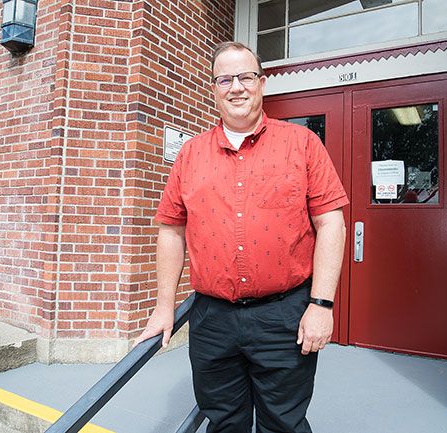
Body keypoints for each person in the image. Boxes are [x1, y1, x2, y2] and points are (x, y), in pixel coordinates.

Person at [133, 41, 349, 433]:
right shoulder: (190, 155)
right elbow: (171, 230)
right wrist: (165, 307)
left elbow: (331, 223)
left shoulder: (301, 144)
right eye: (225, 79)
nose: (237, 87)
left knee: (283, 423)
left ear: (262, 83)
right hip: (212, 319)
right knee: (223, 422)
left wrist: (321, 304)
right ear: (214, 88)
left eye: (246, 76)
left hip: (285, 316)